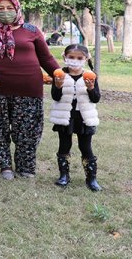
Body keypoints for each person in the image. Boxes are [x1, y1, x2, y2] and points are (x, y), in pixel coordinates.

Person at [0, 0, 60, 179]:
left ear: (17, 8)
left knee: (28, 129)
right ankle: (4, 166)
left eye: (9, 8)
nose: (5, 12)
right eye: (1, 8)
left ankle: (25, 166)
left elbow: (46, 58)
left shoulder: (32, 31)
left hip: (29, 89)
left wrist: (58, 73)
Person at [50, 44, 102, 191]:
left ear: (86, 59)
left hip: (83, 117)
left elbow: (96, 98)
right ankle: (64, 176)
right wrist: (58, 86)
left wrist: (91, 88)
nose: (75, 61)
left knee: (85, 147)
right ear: (64, 57)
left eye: (79, 58)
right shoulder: (59, 75)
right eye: (71, 57)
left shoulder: (91, 76)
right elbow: (55, 97)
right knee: (64, 146)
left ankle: (91, 178)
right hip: (65, 117)